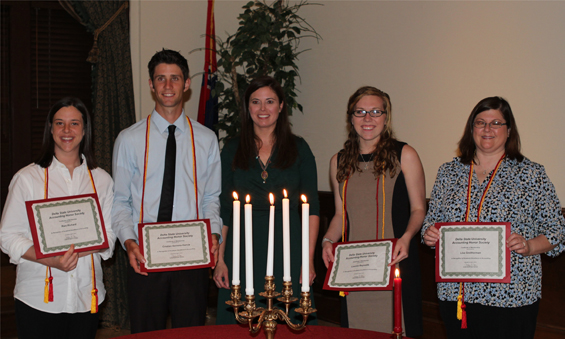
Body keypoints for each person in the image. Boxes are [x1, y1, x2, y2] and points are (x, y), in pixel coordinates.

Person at [422, 96, 565, 339]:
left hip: (511, 295)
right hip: (457, 293)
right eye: (480, 122)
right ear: (471, 129)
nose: (487, 129)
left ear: (509, 131)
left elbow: (556, 230)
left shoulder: (530, 174)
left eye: (496, 123)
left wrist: (529, 246)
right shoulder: (448, 172)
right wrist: (429, 234)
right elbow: (431, 220)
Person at [112, 49, 221, 333]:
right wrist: (128, 242)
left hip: (192, 255)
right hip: (144, 256)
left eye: (175, 79)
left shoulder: (207, 140)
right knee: (147, 332)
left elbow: (211, 197)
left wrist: (214, 234)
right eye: (161, 79)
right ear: (151, 84)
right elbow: (121, 201)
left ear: (186, 85)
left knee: (191, 332)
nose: (168, 86)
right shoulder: (129, 139)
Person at [0, 97, 115, 339]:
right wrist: (51, 260)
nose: (66, 130)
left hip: (86, 295)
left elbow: (109, 236)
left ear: (84, 130)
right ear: (50, 129)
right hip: (37, 297)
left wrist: (74, 253)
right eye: (59, 123)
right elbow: (8, 236)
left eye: (74, 124)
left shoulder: (102, 180)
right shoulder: (27, 178)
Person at [213, 76, 320, 324]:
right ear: (247, 107)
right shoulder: (231, 148)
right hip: (241, 248)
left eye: (270, 101)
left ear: (281, 106)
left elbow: (312, 207)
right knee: (239, 322)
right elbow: (225, 209)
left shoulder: (299, 148)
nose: (263, 109)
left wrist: (308, 260)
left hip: (288, 245)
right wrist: (220, 260)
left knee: (288, 321)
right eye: (256, 102)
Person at [321, 86, 426, 336]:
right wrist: (327, 241)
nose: (368, 118)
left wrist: (407, 238)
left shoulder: (405, 154)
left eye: (375, 111)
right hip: (354, 269)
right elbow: (339, 215)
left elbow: (419, 209)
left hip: (396, 262)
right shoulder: (338, 161)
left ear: (386, 118)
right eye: (360, 112)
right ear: (351, 117)